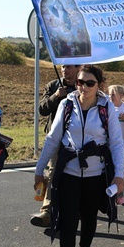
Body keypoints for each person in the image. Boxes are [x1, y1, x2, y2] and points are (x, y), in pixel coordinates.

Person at [34, 65, 124, 247]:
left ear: (99, 85)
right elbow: (52, 139)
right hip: (68, 173)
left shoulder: (106, 108)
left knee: (89, 218)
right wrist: (39, 169)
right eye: (80, 82)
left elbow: (116, 142)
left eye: (89, 83)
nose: (83, 87)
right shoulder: (66, 105)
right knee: (67, 221)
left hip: (95, 174)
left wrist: (119, 175)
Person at [31, 64, 79, 228]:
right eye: (63, 67)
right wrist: (56, 96)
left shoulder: (83, 85)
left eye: (70, 67)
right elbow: (42, 109)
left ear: (78, 69)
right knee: (53, 172)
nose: (65, 70)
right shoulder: (53, 86)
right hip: (56, 138)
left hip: (78, 138)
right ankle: (47, 211)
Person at [108, 85, 124, 157]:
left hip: (123, 143)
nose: (111, 97)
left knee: (119, 164)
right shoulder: (107, 108)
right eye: (110, 94)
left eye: (113, 95)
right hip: (110, 142)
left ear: (120, 95)